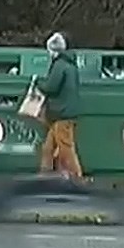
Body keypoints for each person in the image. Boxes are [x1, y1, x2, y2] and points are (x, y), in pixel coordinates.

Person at [36, 32, 83, 178]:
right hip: (64, 113)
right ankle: (45, 174)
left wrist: (37, 82)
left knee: (66, 148)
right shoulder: (71, 64)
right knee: (48, 148)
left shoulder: (59, 65)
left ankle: (77, 177)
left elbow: (50, 87)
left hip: (61, 114)